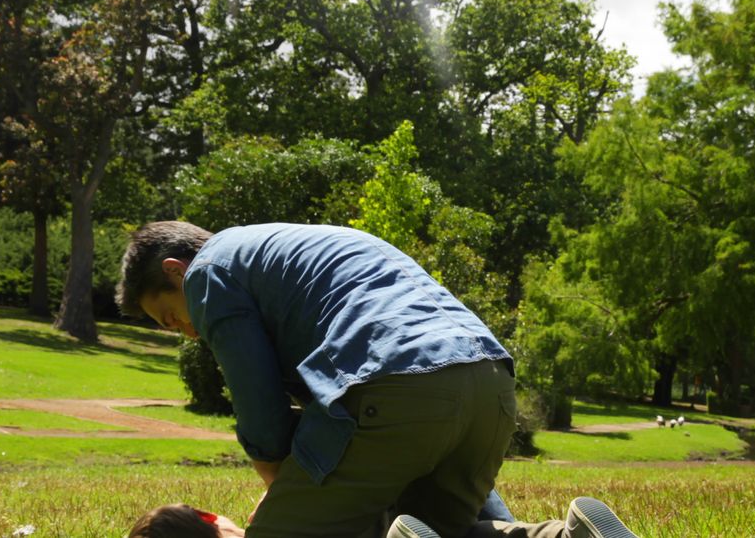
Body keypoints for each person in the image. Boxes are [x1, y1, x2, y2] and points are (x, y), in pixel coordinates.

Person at [117, 222, 637, 538]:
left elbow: (262, 412)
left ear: (175, 270)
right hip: (489, 382)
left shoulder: (210, 270)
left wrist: (288, 493)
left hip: (393, 386)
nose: (187, 333)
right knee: (442, 533)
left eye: (171, 319)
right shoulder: (294, 247)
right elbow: (436, 406)